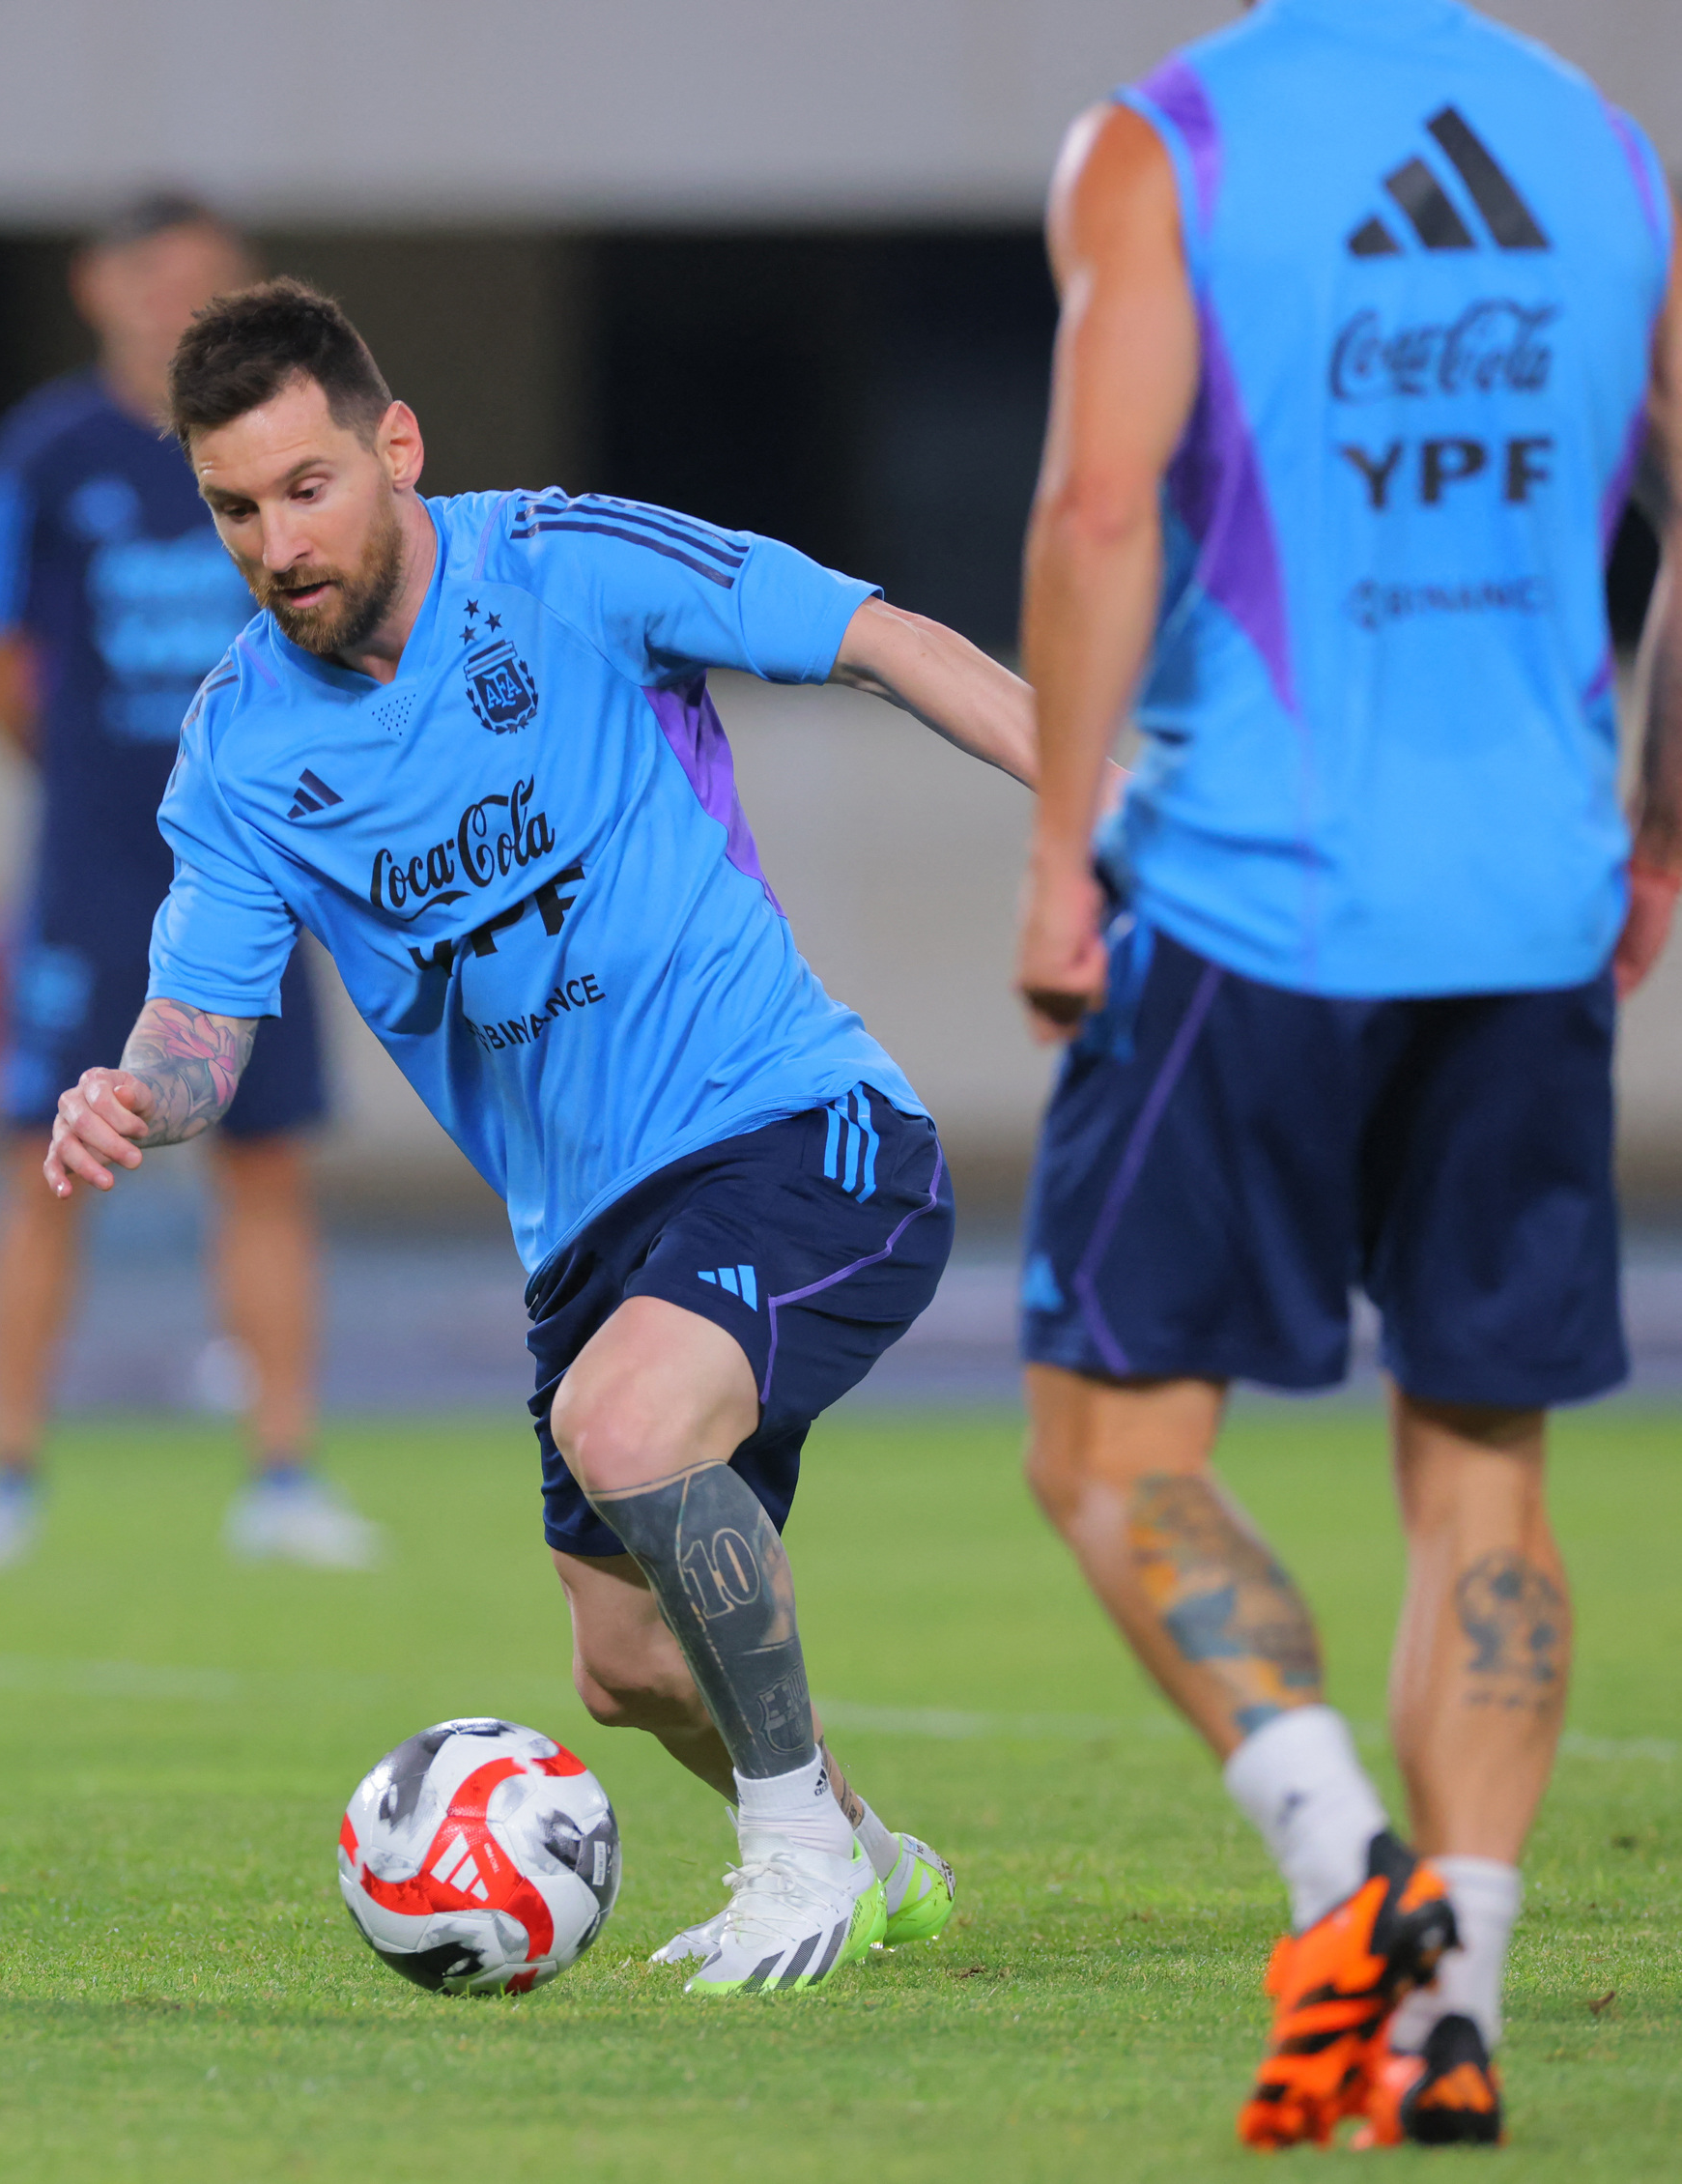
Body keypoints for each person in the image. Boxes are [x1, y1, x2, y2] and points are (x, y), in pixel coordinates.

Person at [46, 279, 1039, 1993]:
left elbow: (877, 635)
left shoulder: (562, 566)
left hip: (798, 1128)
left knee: (624, 1422)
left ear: (394, 447)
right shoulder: (239, 750)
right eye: (233, 508)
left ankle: (792, 1857)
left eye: (304, 487)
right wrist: (139, 1095)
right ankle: (870, 1860)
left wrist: (1103, 813)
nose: (276, 542)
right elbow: (199, 1024)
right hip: (584, 1237)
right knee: (628, 1668)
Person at [1012, 0, 1672, 2148]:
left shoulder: (1166, 146)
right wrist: (1655, 832)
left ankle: (1340, 1867)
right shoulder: (1599, 150)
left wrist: (1057, 857)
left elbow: (1098, 507)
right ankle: (1452, 2001)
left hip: (1253, 901)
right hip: (1528, 911)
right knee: (1481, 1471)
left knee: (1107, 1451)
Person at [0, 197, 372, 1575]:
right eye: (150, 278)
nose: (170, 303)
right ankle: (5, 1479)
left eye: (202, 281)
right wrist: (85, 774)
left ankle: (283, 1474)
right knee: (44, 1161)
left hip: (258, 866)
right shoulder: (44, 457)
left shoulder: (277, 452)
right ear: (96, 287)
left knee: (266, 1160)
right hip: (95, 866)